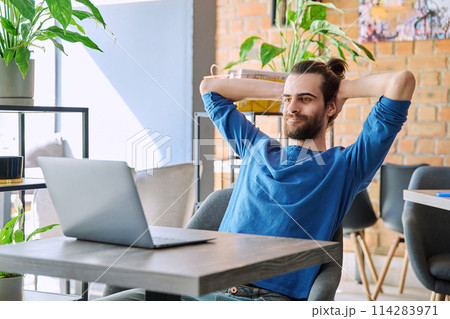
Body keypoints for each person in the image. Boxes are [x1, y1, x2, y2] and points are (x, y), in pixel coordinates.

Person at [99, 57, 415, 301]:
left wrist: (340, 89)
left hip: (264, 301)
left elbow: (402, 81)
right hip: (203, 287)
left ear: (330, 107)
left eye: (305, 99)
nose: (291, 108)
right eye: (288, 99)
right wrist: (290, 87)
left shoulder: (346, 166)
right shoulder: (257, 147)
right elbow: (210, 88)